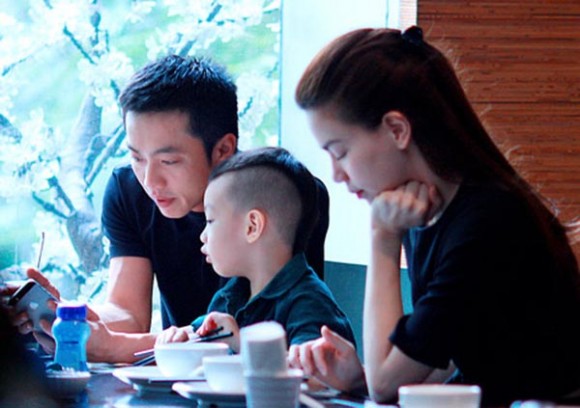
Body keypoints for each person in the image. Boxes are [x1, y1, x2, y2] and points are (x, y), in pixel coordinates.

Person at [287, 26, 580, 406]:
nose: (336, 174)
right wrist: (360, 378)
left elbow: (387, 385)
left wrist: (382, 239)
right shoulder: (429, 212)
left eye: (340, 152)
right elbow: (435, 359)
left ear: (397, 129)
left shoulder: (489, 221)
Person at [5, 55, 329, 363]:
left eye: (169, 161)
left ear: (223, 150)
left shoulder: (284, 196)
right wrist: (65, 315)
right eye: (136, 157)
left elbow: (273, 335)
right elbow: (127, 314)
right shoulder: (128, 191)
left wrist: (116, 347)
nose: (150, 181)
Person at [156, 147, 355, 352]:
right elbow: (198, 333)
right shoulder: (228, 297)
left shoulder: (309, 304)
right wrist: (182, 336)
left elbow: (310, 368)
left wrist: (241, 344)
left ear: (252, 226)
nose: (203, 236)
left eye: (211, 220)